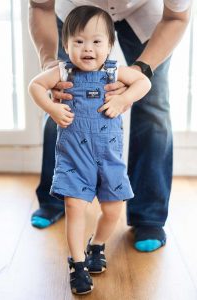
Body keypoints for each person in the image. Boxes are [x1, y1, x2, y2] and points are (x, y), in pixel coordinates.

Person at [29, 0, 191, 252]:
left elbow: (176, 18)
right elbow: (40, 7)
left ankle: (148, 216)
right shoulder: (76, 46)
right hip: (76, 16)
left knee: (153, 106)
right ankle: (56, 200)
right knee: (63, 98)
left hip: (146, 16)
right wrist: (50, 64)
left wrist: (139, 73)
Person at [29, 5, 151, 294]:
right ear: (66, 44)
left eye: (97, 41)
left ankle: (96, 245)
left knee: (113, 210)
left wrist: (124, 101)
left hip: (109, 159)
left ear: (109, 45)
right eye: (79, 41)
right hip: (75, 158)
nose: (88, 48)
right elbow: (35, 86)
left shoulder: (114, 72)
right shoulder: (62, 71)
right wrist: (52, 108)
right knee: (74, 208)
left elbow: (144, 81)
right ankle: (78, 264)